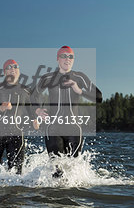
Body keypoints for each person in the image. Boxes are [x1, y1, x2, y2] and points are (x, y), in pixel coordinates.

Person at [31, 46, 102, 175]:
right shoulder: (48, 77)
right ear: (58, 59)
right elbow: (33, 95)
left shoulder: (80, 77)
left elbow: (99, 97)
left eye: (70, 56)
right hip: (53, 128)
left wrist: (79, 90)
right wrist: (37, 110)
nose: (67, 59)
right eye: (63, 56)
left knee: (73, 171)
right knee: (57, 170)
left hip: (74, 129)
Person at [0, 59, 32, 174]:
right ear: (4, 72)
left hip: (16, 136)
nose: (13, 69)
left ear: (19, 71)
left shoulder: (26, 90)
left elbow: (32, 110)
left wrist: (38, 119)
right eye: (9, 67)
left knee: (16, 175)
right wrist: (0, 108)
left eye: (15, 67)